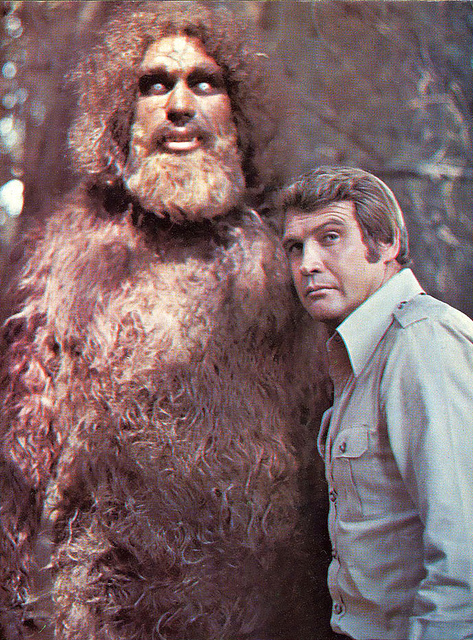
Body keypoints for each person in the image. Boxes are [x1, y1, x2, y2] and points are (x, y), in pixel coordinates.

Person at [0, 5, 330, 640]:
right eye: (154, 84)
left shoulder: (295, 267)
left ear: (241, 119)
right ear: (122, 120)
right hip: (106, 616)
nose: (179, 105)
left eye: (205, 83)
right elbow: (15, 470)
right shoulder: (66, 264)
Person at [279, 165, 473, 640]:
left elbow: (472, 574)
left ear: (388, 243)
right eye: (295, 247)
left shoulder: (425, 344)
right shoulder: (363, 352)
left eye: (330, 238)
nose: (307, 264)